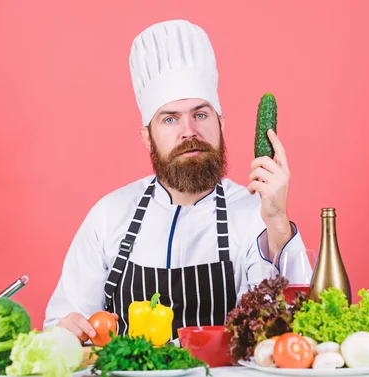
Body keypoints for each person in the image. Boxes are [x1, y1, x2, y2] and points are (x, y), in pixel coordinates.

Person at [44, 19, 312, 343]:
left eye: (200, 114)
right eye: (170, 118)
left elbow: (294, 330)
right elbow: (66, 327)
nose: (189, 131)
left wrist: (278, 223)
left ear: (221, 124)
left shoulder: (255, 215)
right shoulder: (109, 215)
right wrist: (66, 332)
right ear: (147, 137)